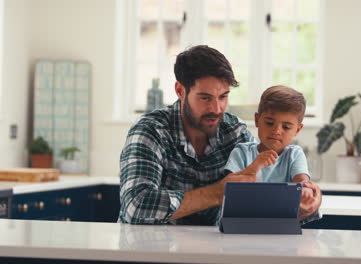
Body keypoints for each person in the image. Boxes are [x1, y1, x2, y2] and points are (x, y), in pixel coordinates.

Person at [119, 45, 322, 225]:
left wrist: (307, 204)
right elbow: (136, 207)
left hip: (214, 251)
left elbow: (259, 201)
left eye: (223, 96)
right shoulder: (150, 131)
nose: (216, 108)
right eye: (205, 98)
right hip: (150, 250)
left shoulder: (235, 132)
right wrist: (218, 192)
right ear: (180, 90)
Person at [224, 85, 321, 221]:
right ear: (257, 120)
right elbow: (228, 188)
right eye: (269, 123)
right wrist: (255, 167)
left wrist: (305, 191)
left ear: (297, 130)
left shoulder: (294, 154)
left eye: (286, 127)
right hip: (243, 224)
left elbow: (302, 183)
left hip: (283, 226)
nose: (276, 130)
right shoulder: (241, 152)